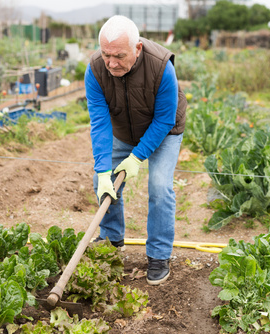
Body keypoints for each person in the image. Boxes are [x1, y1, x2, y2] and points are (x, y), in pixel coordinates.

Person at [85, 15, 187, 285]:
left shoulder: (161, 66)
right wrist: (104, 170)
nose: (111, 63)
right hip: (123, 131)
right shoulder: (95, 70)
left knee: (160, 186)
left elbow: (165, 119)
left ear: (137, 48)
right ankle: (111, 239)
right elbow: (99, 122)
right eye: (106, 55)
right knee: (102, 180)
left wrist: (137, 157)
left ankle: (158, 255)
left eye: (119, 55)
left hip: (164, 131)